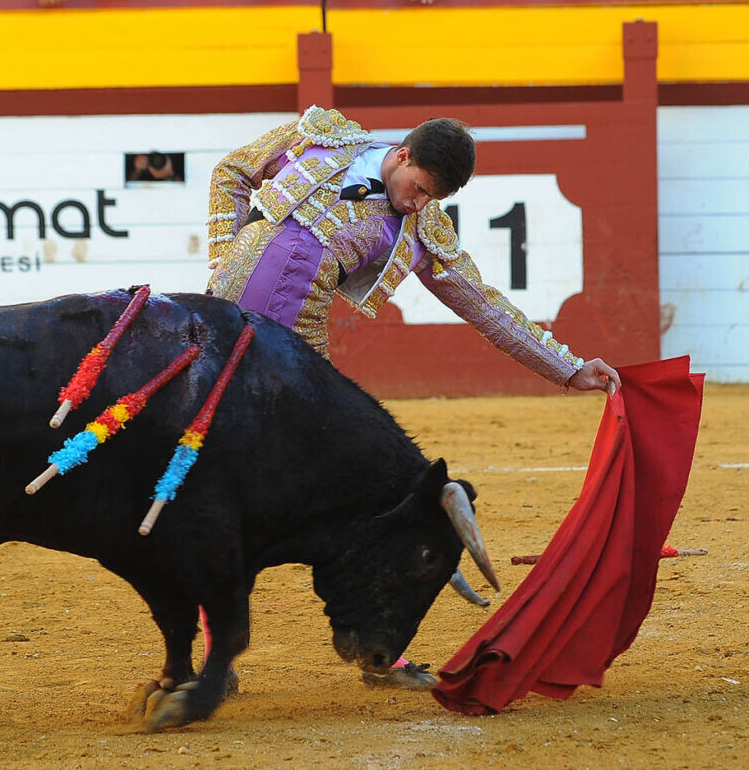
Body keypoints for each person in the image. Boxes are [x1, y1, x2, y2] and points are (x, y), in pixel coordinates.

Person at [204, 106, 621, 690]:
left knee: (360, 500)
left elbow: (483, 304)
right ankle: (214, 661)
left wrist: (568, 368)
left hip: (300, 365)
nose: (419, 204)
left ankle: (381, 647)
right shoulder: (320, 137)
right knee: (206, 490)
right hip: (216, 334)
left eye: (433, 199)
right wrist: (223, 255)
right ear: (401, 155)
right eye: (419, 188)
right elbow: (231, 172)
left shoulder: (421, 231)